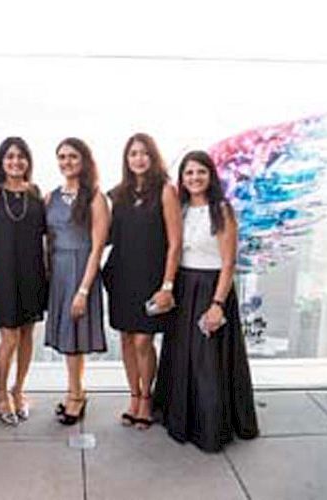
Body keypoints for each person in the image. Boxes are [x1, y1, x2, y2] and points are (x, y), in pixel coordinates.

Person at [152, 150, 259, 452]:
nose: (195, 178)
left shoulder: (221, 210)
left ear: (210, 175)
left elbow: (228, 263)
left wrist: (217, 305)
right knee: (181, 356)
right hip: (184, 288)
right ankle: (180, 420)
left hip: (211, 288)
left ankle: (209, 429)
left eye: (200, 172)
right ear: (181, 179)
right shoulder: (181, 209)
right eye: (189, 173)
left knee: (207, 363)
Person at [103, 133, 182, 430]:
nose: (139, 158)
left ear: (153, 157)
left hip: (151, 278)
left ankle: (147, 398)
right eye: (133, 153)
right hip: (120, 275)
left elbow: (175, 243)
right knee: (125, 338)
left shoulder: (165, 190)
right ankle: (133, 396)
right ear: (126, 159)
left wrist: (167, 285)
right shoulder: (117, 194)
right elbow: (102, 232)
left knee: (143, 340)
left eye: (144, 153)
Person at [0, 137, 46, 426]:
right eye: (10, 157)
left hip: (33, 273)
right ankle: (1, 393)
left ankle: (19, 390)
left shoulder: (36, 193)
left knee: (28, 335)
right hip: (1, 275)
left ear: (28, 161)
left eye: (21, 156)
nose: (16, 162)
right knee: (10, 337)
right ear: (2, 161)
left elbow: (45, 237)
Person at [45, 137, 109, 425]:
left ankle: (76, 395)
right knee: (66, 336)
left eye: (72, 156)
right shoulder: (51, 197)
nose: (66, 162)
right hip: (57, 270)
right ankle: (76, 389)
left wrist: (83, 289)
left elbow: (98, 246)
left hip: (82, 268)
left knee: (74, 335)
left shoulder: (95, 197)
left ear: (84, 160)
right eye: (62, 156)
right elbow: (46, 240)